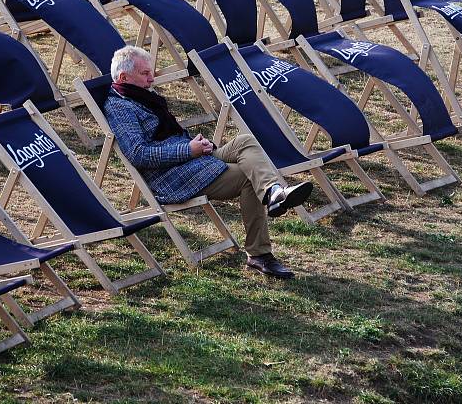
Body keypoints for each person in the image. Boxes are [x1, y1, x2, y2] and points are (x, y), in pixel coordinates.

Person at [103, 46, 313, 278]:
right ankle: (260, 254)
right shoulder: (120, 107)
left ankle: (273, 192)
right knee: (247, 177)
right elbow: (139, 153)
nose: (152, 78)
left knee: (244, 141)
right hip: (173, 176)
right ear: (124, 77)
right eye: (145, 74)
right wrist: (188, 150)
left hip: (191, 161)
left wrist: (195, 145)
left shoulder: (142, 98)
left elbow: (166, 136)